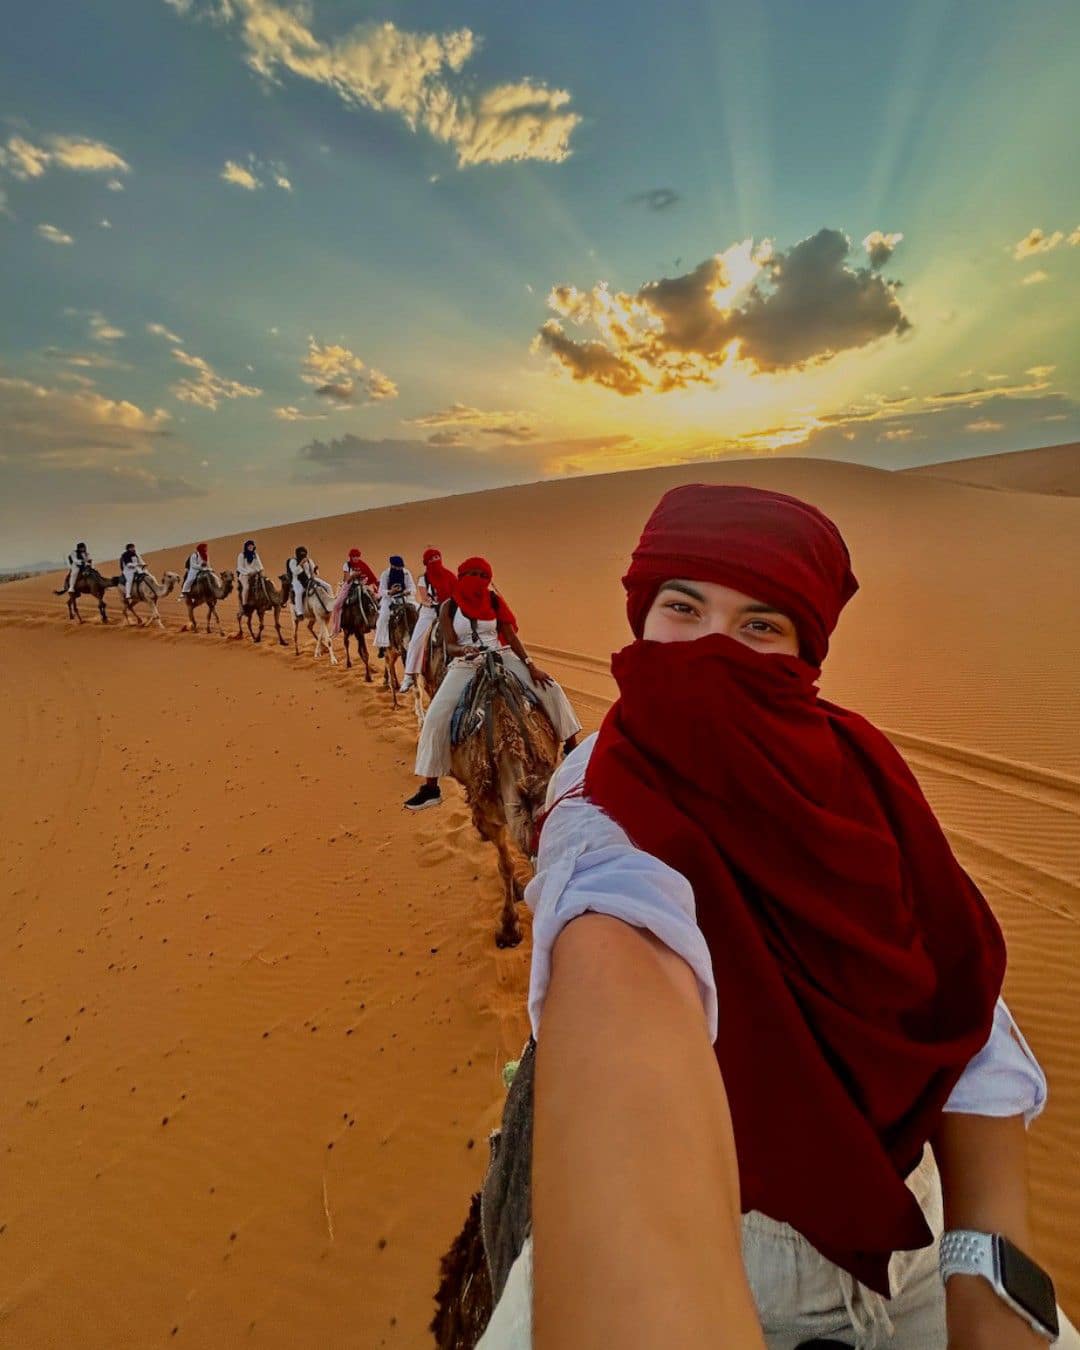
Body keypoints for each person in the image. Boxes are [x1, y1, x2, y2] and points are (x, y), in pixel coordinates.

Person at [473, 485, 1069, 1349]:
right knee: (449, 673)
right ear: (642, 620)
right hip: (730, 1251)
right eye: (683, 608)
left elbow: (964, 1004)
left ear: (802, 652)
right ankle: (430, 759)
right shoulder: (601, 808)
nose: (714, 649)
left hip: (924, 1244)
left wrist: (986, 1274)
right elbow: (621, 953)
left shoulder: (861, 777)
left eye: (760, 625)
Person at [404, 557, 581, 812]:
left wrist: (531, 665)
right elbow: (449, 646)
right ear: (462, 575)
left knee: (551, 688)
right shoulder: (449, 607)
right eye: (472, 573)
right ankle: (431, 787)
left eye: (483, 574)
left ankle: (572, 748)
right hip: (467, 663)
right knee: (435, 716)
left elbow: (510, 636)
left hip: (501, 655)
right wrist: (463, 649)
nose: (478, 579)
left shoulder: (494, 601)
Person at [400, 546, 457, 693]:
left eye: (437, 557)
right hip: (430, 613)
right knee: (415, 642)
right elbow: (424, 599)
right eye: (432, 559)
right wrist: (433, 603)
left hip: (450, 612)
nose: (435, 560)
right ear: (426, 562)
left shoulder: (450, 575)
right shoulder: (423, 579)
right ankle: (409, 676)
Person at [374, 554, 418, 656]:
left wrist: (407, 591)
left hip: (405, 598)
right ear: (392, 566)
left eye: (401, 567)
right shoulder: (385, 574)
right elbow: (381, 591)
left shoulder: (406, 573)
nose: (399, 569)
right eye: (397, 567)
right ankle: (382, 644)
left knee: (418, 609)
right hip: (389, 599)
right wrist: (391, 592)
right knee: (383, 618)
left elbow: (413, 588)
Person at [331, 548, 379, 635]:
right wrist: (353, 575)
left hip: (362, 585)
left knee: (374, 600)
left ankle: (376, 623)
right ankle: (336, 628)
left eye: (357, 556)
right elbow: (346, 580)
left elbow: (371, 575)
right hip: (349, 586)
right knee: (336, 606)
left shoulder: (363, 564)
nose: (356, 558)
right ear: (350, 557)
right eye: (354, 557)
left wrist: (375, 583)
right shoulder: (347, 565)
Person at [235, 539, 264, 608]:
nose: (251, 547)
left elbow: (260, 566)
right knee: (246, 587)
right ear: (246, 547)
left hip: (255, 574)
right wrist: (248, 572)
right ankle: (244, 604)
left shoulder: (255, 555)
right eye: (249, 546)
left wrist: (257, 570)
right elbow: (239, 567)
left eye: (252, 546)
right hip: (244, 575)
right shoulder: (241, 555)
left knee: (264, 584)